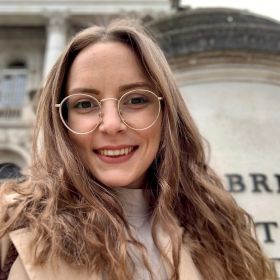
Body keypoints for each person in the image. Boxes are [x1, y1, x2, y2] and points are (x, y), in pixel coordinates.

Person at [0, 18, 277, 280]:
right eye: (84, 103)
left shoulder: (224, 235)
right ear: (62, 121)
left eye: (135, 99)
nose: (111, 124)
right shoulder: (9, 224)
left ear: (166, 112)